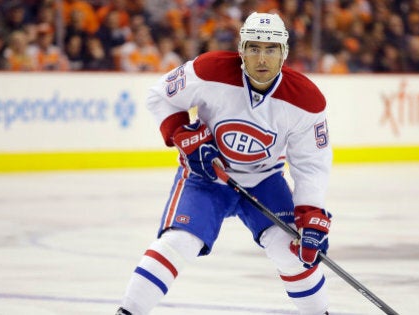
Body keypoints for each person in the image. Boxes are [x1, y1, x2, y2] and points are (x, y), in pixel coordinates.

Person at [116, 11, 333, 315]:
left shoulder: (306, 100)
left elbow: (311, 163)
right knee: (180, 241)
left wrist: (310, 213)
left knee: (292, 251)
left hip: (264, 181)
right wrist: (184, 136)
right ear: (241, 50)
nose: (262, 58)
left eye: (271, 49)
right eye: (254, 48)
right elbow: (160, 97)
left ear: (284, 53)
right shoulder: (209, 70)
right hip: (207, 175)